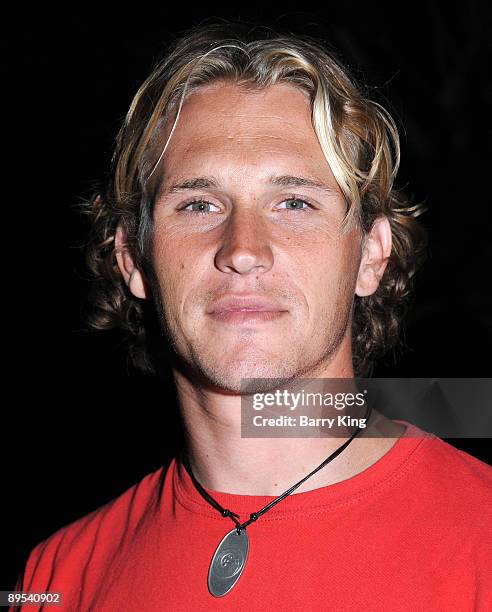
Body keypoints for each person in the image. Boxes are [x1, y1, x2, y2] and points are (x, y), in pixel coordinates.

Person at [12, 23, 491, 611]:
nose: (243, 249)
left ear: (370, 254)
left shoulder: (482, 540)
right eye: (198, 204)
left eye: (294, 202)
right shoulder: (56, 578)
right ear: (133, 259)